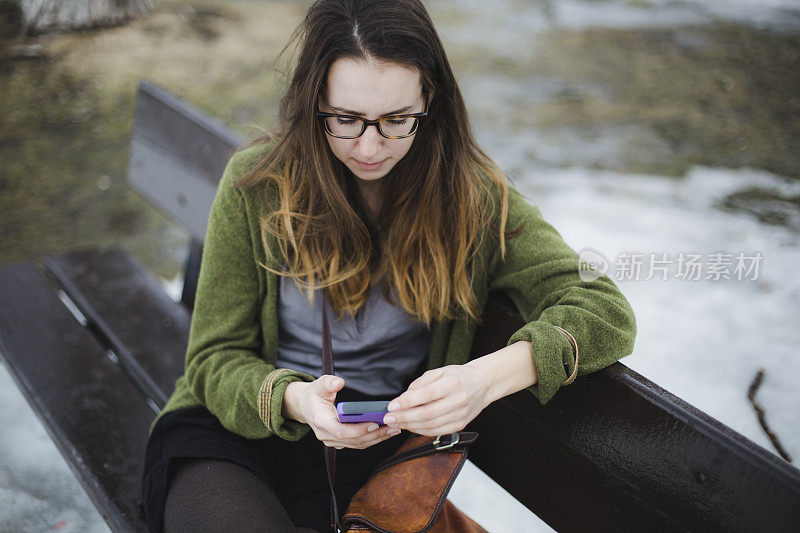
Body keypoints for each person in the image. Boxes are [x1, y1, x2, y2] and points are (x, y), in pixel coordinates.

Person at [140, 0, 637, 531]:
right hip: (230, 437)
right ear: (314, 102)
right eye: (346, 119)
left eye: (397, 120)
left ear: (431, 102)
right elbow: (215, 359)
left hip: (368, 462)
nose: (370, 147)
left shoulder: (474, 198)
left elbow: (605, 308)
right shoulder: (261, 186)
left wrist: (483, 381)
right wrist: (298, 401)